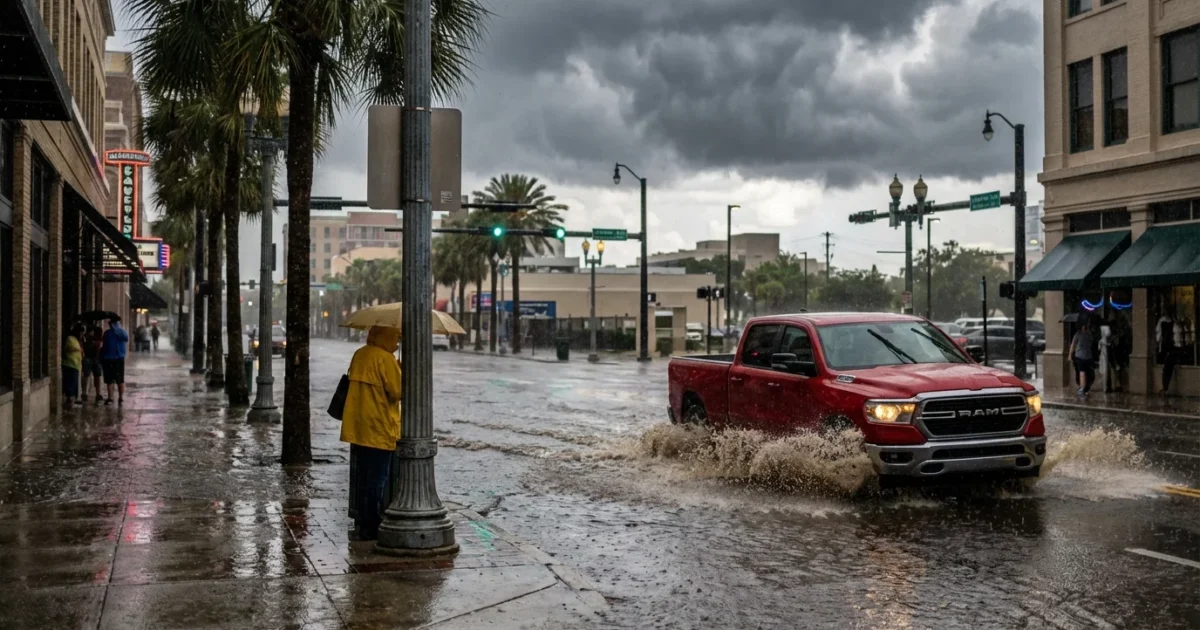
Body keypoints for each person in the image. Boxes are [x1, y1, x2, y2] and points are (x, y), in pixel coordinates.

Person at [340, 326, 402, 541]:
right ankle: (371, 525)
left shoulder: (360, 354)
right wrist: (400, 370)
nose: (397, 341)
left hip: (358, 425)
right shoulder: (385, 359)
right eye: (396, 337)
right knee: (378, 478)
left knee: (364, 476)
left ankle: (363, 519)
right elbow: (398, 391)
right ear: (386, 337)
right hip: (379, 425)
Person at [101, 316, 129, 406]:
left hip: (118, 358)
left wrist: (117, 329)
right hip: (108, 359)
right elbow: (104, 344)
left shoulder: (121, 332)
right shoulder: (107, 333)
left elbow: (125, 338)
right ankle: (110, 398)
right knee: (109, 380)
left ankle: (120, 397)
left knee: (119, 380)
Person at [1068, 321, 1095, 398]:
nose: (1085, 327)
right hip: (1081, 356)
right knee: (1082, 373)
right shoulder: (1078, 334)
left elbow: (1091, 342)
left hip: (1086, 356)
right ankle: (1083, 390)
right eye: (1084, 326)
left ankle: (1084, 389)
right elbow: (1073, 345)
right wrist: (1070, 354)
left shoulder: (1087, 334)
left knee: (1087, 374)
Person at [1157, 309, 1180, 394]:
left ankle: (1165, 387)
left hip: (1168, 348)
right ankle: (1164, 387)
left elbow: (1158, 337)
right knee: (1167, 369)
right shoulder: (1171, 323)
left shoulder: (1164, 323)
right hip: (1169, 348)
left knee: (1166, 369)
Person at [62, 324, 84, 408]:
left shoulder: (77, 340)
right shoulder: (70, 338)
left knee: (74, 383)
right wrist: (78, 349)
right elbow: (68, 348)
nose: (82, 335)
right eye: (81, 333)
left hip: (76, 365)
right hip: (70, 364)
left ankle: (73, 399)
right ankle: (69, 400)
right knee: (70, 383)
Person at [82, 326, 104, 402]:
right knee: (88, 376)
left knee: (93, 376)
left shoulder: (98, 340)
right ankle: (86, 393)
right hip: (90, 358)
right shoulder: (86, 338)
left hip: (93, 359)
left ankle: (90, 393)